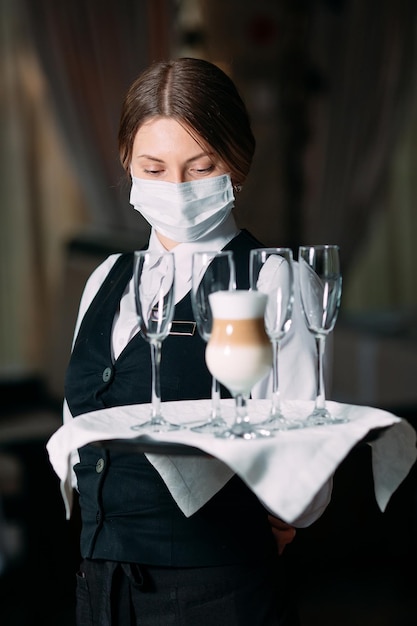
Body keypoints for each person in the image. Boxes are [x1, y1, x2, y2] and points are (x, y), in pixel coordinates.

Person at [63, 57, 332, 625]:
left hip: (214, 593)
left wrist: (275, 517)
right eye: (154, 169)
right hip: (100, 583)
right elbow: (79, 434)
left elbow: (306, 474)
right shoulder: (106, 278)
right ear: (127, 164)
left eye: (201, 166)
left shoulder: (274, 280)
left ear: (236, 165)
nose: (177, 189)